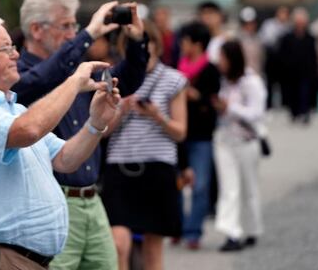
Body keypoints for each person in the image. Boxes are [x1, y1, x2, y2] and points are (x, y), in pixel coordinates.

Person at [0, 14, 121, 270]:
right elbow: (30, 130)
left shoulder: (12, 110)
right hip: (1, 257)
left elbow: (65, 158)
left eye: (13, 47)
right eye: (6, 48)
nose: (16, 54)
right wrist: (73, 83)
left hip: (18, 259)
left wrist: (95, 123)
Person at [14, 0, 148, 270]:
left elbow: (128, 82)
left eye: (75, 25)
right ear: (37, 29)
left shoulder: (76, 68)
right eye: (66, 25)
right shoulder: (19, 73)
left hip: (91, 197)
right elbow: (40, 79)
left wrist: (136, 42)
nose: (73, 34)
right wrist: (89, 34)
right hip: (51, 202)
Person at [103, 20, 187, 270]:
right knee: (118, 243)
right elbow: (102, 131)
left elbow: (181, 132)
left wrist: (156, 115)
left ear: (158, 47)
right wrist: (122, 107)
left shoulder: (174, 80)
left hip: (158, 166)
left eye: (147, 44)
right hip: (119, 166)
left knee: (153, 248)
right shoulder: (115, 78)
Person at [211, 40, 266, 252]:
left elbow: (256, 113)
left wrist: (230, 107)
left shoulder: (251, 82)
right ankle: (231, 232)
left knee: (249, 188)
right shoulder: (224, 81)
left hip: (246, 141)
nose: (220, 63)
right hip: (225, 140)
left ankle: (253, 228)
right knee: (229, 188)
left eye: (223, 58)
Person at [176, 21, 220, 250]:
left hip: (201, 135)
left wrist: (195, 96)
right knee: (175, 183)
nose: (181, 44)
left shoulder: (211, 70)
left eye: (185, 40)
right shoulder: (177, 67)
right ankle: (176, 226)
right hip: (176, 134)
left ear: (197, 44)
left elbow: (214, 105)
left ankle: (193, 231)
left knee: (200, 185)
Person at [277, 7, 318, 123]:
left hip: (306, 72)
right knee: (293, 93)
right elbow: (283, 55)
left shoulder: (310, 38)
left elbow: (313, 57)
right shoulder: (287, 38)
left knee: (305, 92)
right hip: (291, 72)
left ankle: (305, 112)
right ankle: (294, 112)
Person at [258, 5, 291, 108]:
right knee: (270, 84)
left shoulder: (289, 27)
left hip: (284, 61)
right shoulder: (269, 25)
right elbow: (265, 40)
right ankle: (269, 106)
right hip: (271, 59)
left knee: (284, 85)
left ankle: (284, 106)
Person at [238, 6, 264, 77]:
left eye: (252, 23)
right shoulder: (237, 39)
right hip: (242, 76)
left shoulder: (259, 39)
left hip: (257, 75)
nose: (250, 26)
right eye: (247, 23)